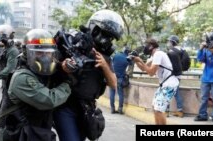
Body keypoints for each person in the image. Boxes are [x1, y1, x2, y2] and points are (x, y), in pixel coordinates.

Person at [53, 9, 124, 141]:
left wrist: (104, 66)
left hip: (86, 108)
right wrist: (63, 65)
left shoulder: (105, 56)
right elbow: (51, 62)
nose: (108, 41)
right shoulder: (72, 42)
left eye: (111, 38)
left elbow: (113, 83)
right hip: (66, 105)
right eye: (106, 35)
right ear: (95, 29)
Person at [131, 38, 179, 125]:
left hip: (169, 84)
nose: (144, 48)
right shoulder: (154, 56)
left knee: (159, 110)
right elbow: (143, 68)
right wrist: (136, 60)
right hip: (164, 85)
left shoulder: (158, 54)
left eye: (146, 45)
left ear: (151, 46)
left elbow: (151, 72)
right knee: (155, 107)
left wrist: (140, 60)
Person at [194, 32, 213, 124]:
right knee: (203, 98)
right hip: (206, 78)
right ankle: (202, 115)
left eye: (212, 42)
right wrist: (201, 50)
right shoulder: (206, 49)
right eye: (209, 41)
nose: (210, 44)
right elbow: (200, 60)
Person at [109, 45, 132, 114]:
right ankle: (120, 109)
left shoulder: (116, 55)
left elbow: (113, 63)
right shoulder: (127, 58)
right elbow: (131, 66)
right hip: (120, 79)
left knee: (112, 93)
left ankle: (112, 109)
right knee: (120, 94)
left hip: (112, 77)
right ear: (128, 52)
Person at [165, 35, 184, 117]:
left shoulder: (171, 51)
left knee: (167, 92)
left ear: (172, 42)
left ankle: (166, 111)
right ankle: (180, 111)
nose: (168, 43)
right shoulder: (181, 50)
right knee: (176, 92)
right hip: (179, 74)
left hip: (172, 75)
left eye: (169, 41)